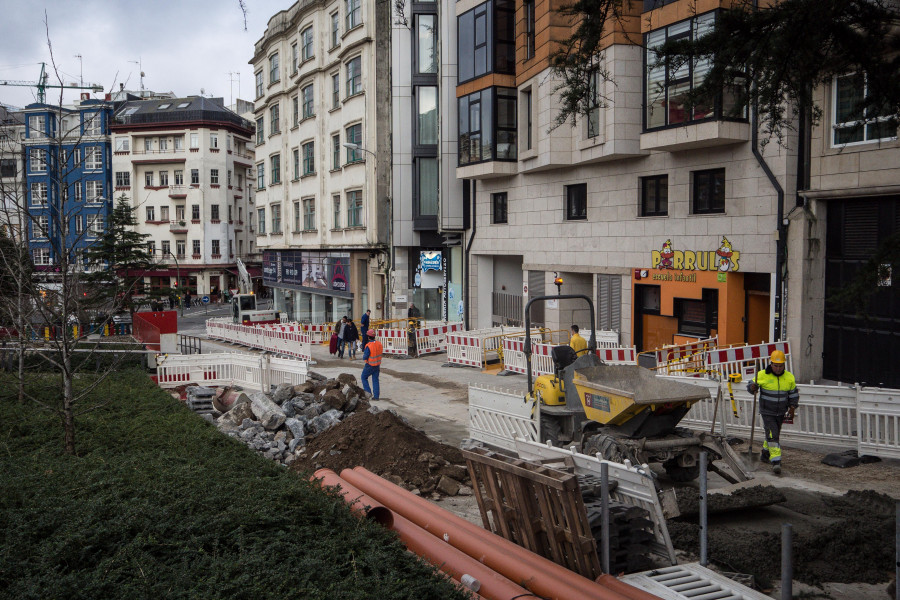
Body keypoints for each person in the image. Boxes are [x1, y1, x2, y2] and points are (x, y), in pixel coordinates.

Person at [747, 350, 799, 474]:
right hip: (767, 412)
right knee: (773, 435)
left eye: (780, 366)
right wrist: (752, 387)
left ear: (784, 365)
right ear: (771, 364)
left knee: (771, 435)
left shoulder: (789, 377)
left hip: (781, 412)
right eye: (775, 366)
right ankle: (776, 461)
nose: (778, 368)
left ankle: (765, 454)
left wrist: (792, 407)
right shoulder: (762, 375)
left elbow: (793, 394)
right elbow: (751, 385)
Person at [361, 329, 383, 399]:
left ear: (368, 337)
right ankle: (376, 396)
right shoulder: (379, 344)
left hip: (369, 365)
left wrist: (365, 358)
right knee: (375, 380)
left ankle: (368, 392)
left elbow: (365, 356)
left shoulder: (369, 345)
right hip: (377, 365)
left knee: (363, 377)